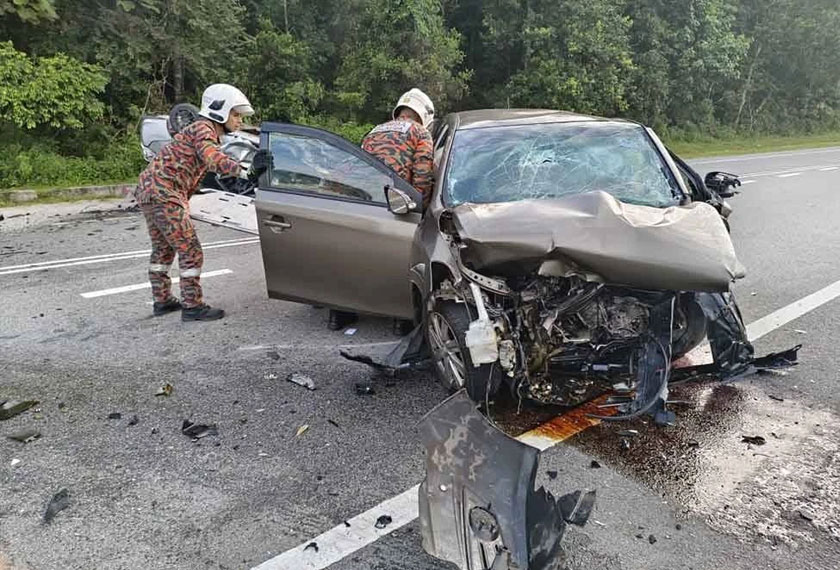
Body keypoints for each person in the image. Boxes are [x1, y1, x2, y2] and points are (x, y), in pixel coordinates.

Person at [134, 84, 265, 322]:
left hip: (149, 191)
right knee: (190, 250)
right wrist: (247, 172)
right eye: (235, 115)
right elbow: (213, 159)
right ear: (220, 112)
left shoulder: (197, 129)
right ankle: (193, 306)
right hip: (165, 193)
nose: (239, 121)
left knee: (163, 250)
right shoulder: (204, 129)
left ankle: (162, 300)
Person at [325, 88, 435, 333]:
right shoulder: (420, 132)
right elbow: (423, 173)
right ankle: (400, 319)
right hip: (394, 201)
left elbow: (351, 164)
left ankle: (340, 313)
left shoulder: (375, 130)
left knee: (354, 257)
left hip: (361, 200)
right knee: (398, 259)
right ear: (424, 115)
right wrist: (420, 206)